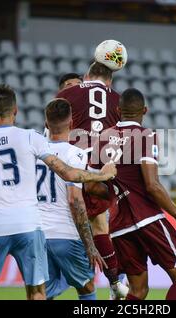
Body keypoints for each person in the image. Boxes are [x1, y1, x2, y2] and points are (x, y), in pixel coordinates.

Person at [0, 84, 116, 300]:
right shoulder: (31, 138)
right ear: (16, 110)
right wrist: (102, 175)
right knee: (39, 293)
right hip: (29, 226)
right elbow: (68, 174)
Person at [87, 88, 176, 300]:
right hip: (148, 219)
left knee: (138, 291)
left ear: (118, 110)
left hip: (119, 226)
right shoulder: (145, 136)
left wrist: (116, 192)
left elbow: (91, 187)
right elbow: (152, 185)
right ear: (145, 110)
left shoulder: (102, 137)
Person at [56, 62, 128, 299]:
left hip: (72, 169)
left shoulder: (67, 96)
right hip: (102, 171)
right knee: (101, 225)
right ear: (110, 81)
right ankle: (116, 281)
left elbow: (53, 131)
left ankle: (111, 281)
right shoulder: (117, 99)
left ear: (86, 77)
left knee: (85, 226)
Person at [37, 98, 105, 300]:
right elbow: (75, 200)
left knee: (43, 293)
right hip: (64, 233)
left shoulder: (34, 153)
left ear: (46, 124)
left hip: (37, 234)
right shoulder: (75, 154)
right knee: (86, 287)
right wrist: (90, 246)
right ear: (72, 123)